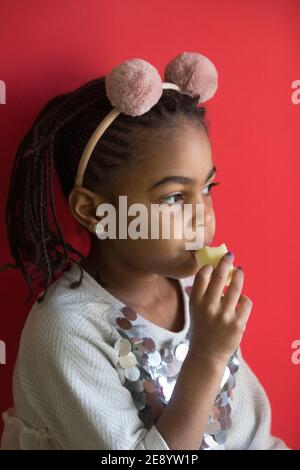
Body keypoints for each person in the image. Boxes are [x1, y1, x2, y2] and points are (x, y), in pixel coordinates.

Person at [0, 52, 289, 450]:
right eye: (173, 198)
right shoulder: (68, 330)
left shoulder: (193, 290)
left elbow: (247, 435)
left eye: (207, 189)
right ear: (94, 211)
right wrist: (206, 356)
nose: (201, 217)